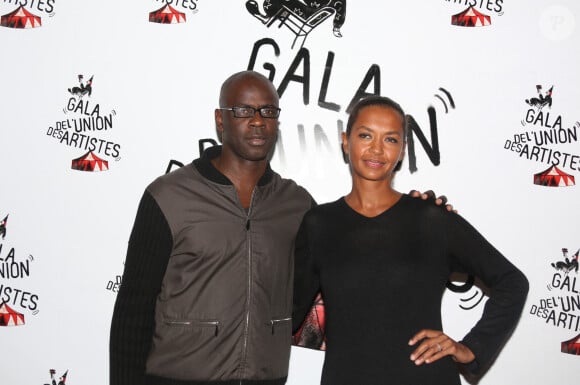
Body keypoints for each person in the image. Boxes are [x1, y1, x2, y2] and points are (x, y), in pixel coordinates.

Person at [109, 71, 450, 385]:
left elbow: (363, 256)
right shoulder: (169, 196)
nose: (258, 122)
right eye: (244, 111)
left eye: (268, 112)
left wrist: (419, 220)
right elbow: (133, 310)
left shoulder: (298, 205)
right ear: (220, 119)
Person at [292, 95, 529, 385]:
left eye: (390, 139)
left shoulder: (432, 219)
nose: (376, 149)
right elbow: (287, 315)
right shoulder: (319, 224)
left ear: (402, 150)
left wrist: (471, 348)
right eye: (365, 135)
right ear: (345, 140)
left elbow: (512, 282)